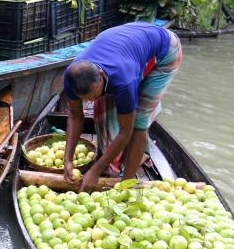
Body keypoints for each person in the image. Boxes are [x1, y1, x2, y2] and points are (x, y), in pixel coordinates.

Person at [63, 21, 183, 189]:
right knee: (105, 110)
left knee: (139, 122)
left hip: (165, 52)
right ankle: (116, 160)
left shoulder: (123, 81)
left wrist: (95, 172)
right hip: (129, 45)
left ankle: (127, 183)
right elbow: (76, 116)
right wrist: (67, 159)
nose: (90, 102)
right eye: (85, 99)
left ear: (101, 75)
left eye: (93, 96)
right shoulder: (71, 77)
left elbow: (127, 131)